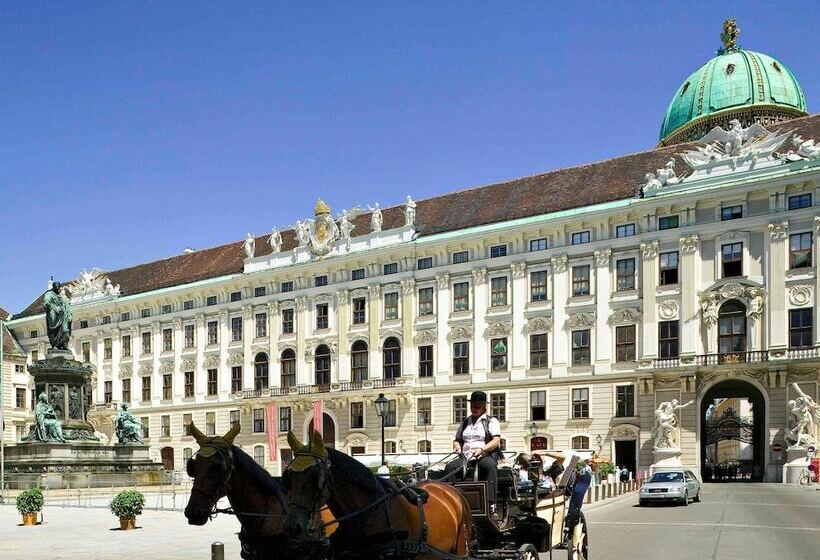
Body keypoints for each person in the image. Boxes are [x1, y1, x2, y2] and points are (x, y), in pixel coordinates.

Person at [443, 391, 502, 506]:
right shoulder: (465, 422)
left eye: (477, 406)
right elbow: (457, 439)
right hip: (466, 457)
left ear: (484, 406)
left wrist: (483, 449)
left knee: (491, 466)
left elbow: (496, 441)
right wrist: (457, 446)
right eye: (472, 406)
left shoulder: (491, 421)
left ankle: (491, 502)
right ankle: (450, 499)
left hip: (484, 455)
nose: (474, 408)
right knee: (450, 467)